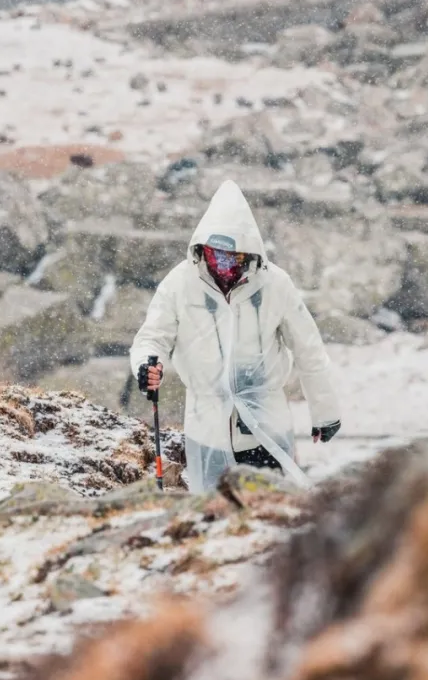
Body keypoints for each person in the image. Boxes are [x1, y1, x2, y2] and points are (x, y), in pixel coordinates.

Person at [129, 180, 341, 493]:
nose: (225, 266)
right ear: (203, 250)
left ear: (248, 254)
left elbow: (308, 348)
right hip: (207, 430)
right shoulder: (179, 284)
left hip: (266, 428)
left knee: (269, 508)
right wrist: (147, 365)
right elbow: (152, 338)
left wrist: (325, 413)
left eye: (233, 257)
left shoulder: (275, 285)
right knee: (213, 511)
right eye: (217, 256)